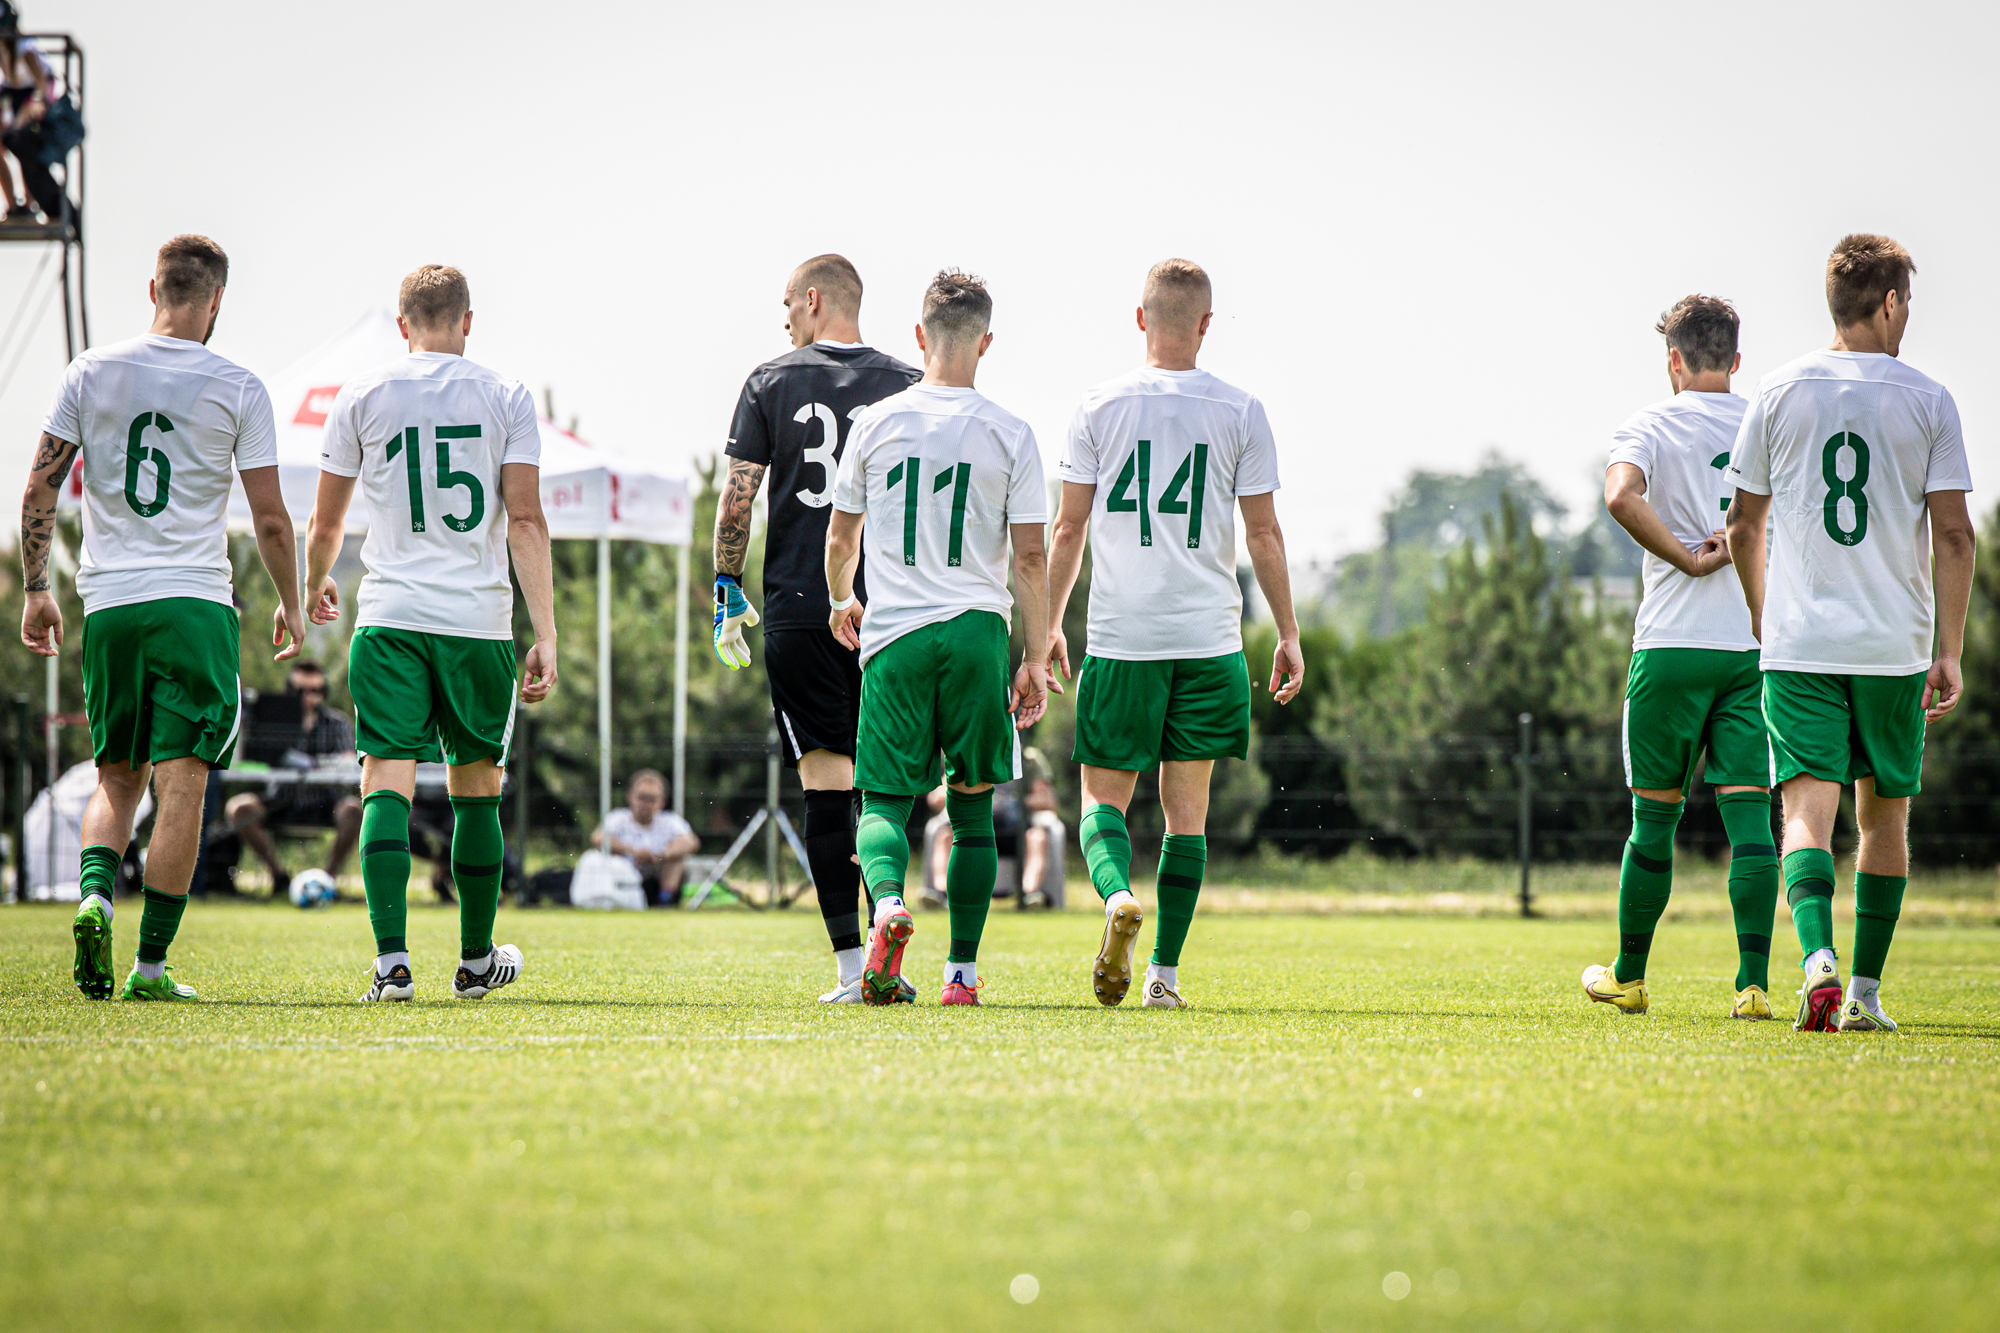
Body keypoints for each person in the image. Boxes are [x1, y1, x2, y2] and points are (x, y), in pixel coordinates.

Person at [20, 234, 305, 1001]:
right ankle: (149, 968)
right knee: (183, 789)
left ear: (153, 287)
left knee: (116, 780)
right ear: (216, 301)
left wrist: (36, 587)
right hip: (193, 603)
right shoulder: (238, 384)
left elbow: (39, 490)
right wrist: (290, 598)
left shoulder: (90, 371)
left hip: (110, 603)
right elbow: (272, 520)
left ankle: (93, 897)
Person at [1724, 234, 1976, 1034]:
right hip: (1892, 646)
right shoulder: (1929, 397)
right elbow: (1957, 535)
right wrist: (1950, 649)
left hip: (1798, 644)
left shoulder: (1775, 389)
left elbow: (1742, 525)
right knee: (1883, 818)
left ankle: (1815, 959)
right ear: (1893, 301)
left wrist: (1765, 612)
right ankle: (1864, 993)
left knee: (1805, 813)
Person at [1045, 259, 1303, 1009]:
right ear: (1205, 324)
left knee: (1102, 803)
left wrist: (1049, 626)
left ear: (1139, 319)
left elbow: (1067, 526)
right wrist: (1287, 632)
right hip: (1210, 638)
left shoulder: (1097, 405)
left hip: (1126, 635)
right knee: (1187, 815)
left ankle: (1117, 896)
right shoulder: (1241, 409)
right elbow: (1265, 533)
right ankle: (1164, 974)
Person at [305, 264, 559, 1004]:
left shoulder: (362, 393)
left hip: (389, 616)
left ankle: (392, 966)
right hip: (476, 621)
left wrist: (315, 581)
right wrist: (543, 631)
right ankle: (476, 961)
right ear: (468, 321)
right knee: (476, 788)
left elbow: (325, 524)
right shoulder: (507, 395)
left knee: (385, 779)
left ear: (401, 323)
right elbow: (525, 520)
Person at [826, 270, 1050, 1006]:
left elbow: (840, 535)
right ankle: (961, 973)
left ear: (919, 336)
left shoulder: (877, 421)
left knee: (884, 801)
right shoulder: (1011, 431)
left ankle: (888, 904)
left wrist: (838, 599)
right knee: (973, 804)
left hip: (895, 633)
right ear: (986, 342)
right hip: (978, 630)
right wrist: (1038, 652)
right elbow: (1029, 557)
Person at [713, 254, 920, 1001]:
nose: (787, 322)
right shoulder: (908, 383)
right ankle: (888, 931)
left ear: (811, 299)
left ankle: (847, 968)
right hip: (894, 607)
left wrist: (725, 587)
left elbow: (737, 502)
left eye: (789, 307)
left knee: (827, 790)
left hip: (804, 606)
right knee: (887, 789)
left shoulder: (770, 380)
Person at [1579, 296, 1778, 1020]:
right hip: (1755, 647)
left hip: (1668, 646)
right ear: (1734, 359)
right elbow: (1771, 519)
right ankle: (1752, 985)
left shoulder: (1649, 423)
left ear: (1673, 358)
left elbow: (1620, 496)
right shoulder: (1767, 421)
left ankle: (1630, 974)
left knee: (1652, 822)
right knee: (1752, 822)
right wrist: (1729, 545)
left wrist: (1687, 558)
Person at [223, 660, 364, 896]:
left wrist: (317, 764)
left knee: (353, 809)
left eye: (316, 690)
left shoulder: (337, 723)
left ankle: (325, 881)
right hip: (279, 798)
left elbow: (348, 761)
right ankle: (279, 877)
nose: (309, 697)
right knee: (238, 808)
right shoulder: (270, 721)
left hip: (324, 802)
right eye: (301, 690)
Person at [592, 768, 699, 905]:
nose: (645, 804)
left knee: (677, 860)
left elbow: (691, 842)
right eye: (642, 798)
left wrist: (661, 855)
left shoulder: (671, 821)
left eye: (652, 799)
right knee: (604, 855)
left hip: (659, 876)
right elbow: (598, 838)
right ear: (630, 797)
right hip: (626, 876)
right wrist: (632, 852)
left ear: (662, 802)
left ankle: (664, 901)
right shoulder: (617, 818)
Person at [0, 3, 59, 226]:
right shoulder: (4, 51)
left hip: (34, 99)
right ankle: (14, 207)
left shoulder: (25, 48)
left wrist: (26, 113)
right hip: (14, 97)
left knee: (23, 141)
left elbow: (42, 88)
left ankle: (28, 203)